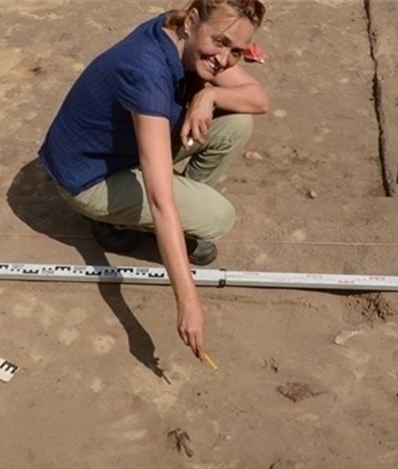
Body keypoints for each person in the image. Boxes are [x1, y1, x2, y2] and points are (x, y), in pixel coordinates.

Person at [39, 0, 268, 362]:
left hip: (124, 150)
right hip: (88, 179)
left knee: (236, 123)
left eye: (237, 51)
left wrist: (210, 94)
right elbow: (161, 202)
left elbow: (259, 99)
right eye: (221, 42)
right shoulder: (146, 71)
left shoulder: (177, 34)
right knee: (217, 217)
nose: (224, 59)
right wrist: (188, 302)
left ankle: (172, 217)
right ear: (192, 20)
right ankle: (113, 222)